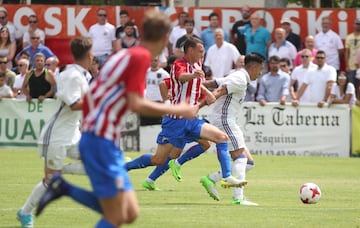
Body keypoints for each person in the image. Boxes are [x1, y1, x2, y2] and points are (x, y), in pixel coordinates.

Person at [35, 10, 200, 227]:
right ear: (166, 37)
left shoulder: (125, 54)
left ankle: (62, 187)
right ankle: (61, 186)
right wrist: (178, 110)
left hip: (99, 137)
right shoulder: (141, 57)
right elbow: (135, 103)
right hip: (100, 139)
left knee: (129, 212)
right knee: (116, 215)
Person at [125, 37, 247, 189]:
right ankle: (125, 168)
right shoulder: (179, 64)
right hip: (175, 121)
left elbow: (194, 82)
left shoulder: (197, 64)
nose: (202, 55)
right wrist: (193, 77)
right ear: (190, 50)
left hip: (191, 120)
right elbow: (182, 78)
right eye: (200, 51)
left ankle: (226, 176)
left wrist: (205, 91)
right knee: (158, 159)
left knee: (221, 138)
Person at [16, 37, 94, 228]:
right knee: (50, 181)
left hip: (73, 134)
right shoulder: (72, 75)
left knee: (96, 163)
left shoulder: (82, 75)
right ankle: (25, 213)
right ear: (89, 55)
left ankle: (61, 171)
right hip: (57, 136)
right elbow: (75, 104)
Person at [168, 53, 265, 205]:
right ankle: (238, 198)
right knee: (240, 157)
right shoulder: (239, 79)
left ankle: (211, 179)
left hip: (224, 119)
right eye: (260, 69)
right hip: (225, 120)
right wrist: (198, 106)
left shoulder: (236, 75)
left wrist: (194, 85)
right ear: (253, 67)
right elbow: (218, 92)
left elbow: (214, 83)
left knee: (249, 163)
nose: (260, 73)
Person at [345, 18, 360, 98]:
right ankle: (352, 104)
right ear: (353, 25)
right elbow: (347, 51)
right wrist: (347, 65)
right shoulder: (349, 37)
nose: (358, 26)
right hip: (351, 66)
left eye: (359, 24)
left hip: (359, 67)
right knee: (351, 86)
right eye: (356, 24)